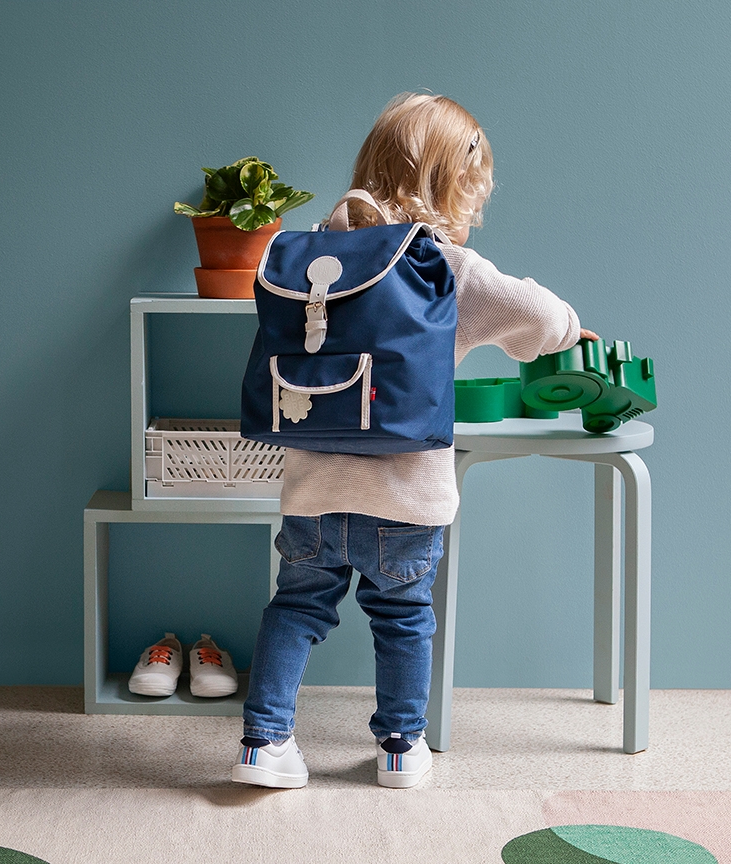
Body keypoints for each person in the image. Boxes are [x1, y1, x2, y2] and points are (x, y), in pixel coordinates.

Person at [231, 92, 599, 791]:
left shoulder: (314, 257)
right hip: (406, 500)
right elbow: (540, 315)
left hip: (312, 494)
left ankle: (263, 742)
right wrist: (568, 328)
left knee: (296, 609)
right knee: (403, 618)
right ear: (452, 183)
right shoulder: (440, 267)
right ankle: (400, 750)